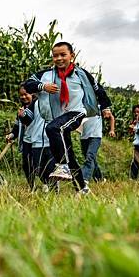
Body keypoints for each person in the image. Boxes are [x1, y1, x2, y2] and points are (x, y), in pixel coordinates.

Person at [24, 42, 112, 194]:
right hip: (59, 116)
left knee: (52, 128)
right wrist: (43, 87)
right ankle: (82, 188)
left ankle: (62, 166)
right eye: (55, 55)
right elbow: (28, 84)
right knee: (69, 153)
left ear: (72, 56)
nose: (59, 58)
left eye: (63, 55)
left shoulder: (81, 74)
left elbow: (99, 90)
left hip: (76, 112)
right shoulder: (46, 75)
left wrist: (105, 107)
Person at [6, 85, 56, 191]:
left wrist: (24, 116)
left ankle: (47, 183)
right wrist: (12, 135)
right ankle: (32, 187)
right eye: (21, 95)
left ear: (32, 94)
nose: (23, 97)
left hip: (39, 141)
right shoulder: (21, 109)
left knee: (40, 166)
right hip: (26, 141)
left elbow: (28, 120)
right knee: (27, 165)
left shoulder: (39, 105)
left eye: (26, 94)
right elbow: (17, 127)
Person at [79, 111, 115, 183]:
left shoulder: (99, 106)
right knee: (91, 159)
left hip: (96, 136)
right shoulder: (82, 105)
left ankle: (84, 179)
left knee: (90, 156)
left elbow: (111, 117)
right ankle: (100, 179)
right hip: (84, 136)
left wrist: (112, 130)